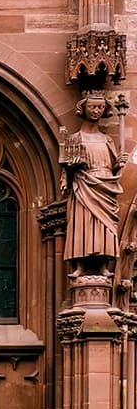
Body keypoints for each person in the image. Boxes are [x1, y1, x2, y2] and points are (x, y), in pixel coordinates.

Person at [61, 90, 128, 277]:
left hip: (105, 184)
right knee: (82, 224)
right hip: (84, 183)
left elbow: (115, 167)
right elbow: (66, 166)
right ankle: (80, 266)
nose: (96, 111)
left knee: (105, 225)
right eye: (92, 106)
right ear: (83, 108)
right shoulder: (75, 138)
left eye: (100, 107)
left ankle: (104, 265)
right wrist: (70, 171)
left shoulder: (106, 139)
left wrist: (119, 162)